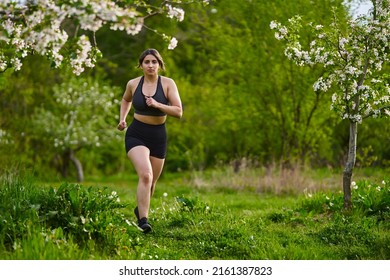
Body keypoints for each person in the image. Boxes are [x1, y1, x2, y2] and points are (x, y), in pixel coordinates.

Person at [117, 49, 183, 233]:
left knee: (152, 182)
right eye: (147, 62)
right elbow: (125, 100)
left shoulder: (168, 84)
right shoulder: (133, 83)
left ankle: (140, 209)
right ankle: (143, 221)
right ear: (141, 65)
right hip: (137, 132)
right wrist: (122, 119)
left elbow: (178, 112)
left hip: (158, 135)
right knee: (146, 175)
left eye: (154, 62)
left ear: (160, 65)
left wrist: (157, 104)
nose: (150, 65)